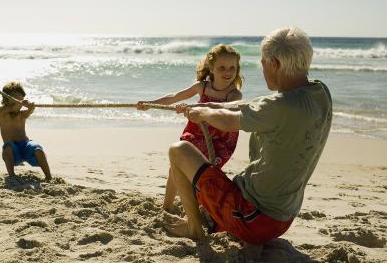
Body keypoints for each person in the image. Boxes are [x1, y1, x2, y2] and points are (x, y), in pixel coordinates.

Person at [164, 27, 332, 246]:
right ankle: (212, 219)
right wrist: (212, 104)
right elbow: (252, 106)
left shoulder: (278, 107)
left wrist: (203, 112)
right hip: (282, 218)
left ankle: (194, 228)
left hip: (253, 220)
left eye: (263, 62)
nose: (261, 68)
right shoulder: (320, 92)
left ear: (274, 64)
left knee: (179, 150)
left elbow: (228, 121)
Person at [137, 44, 243, 211]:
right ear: (211, 68)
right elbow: (175, 96)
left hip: (219, 141)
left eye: (232, 68)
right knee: (175, 168)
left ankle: (197, 208)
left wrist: (195, 108)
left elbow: (227, 109)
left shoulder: (234, 94)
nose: (227, 72)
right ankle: (167, 207)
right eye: (222, 68)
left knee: (201, 174)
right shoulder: (202, 86)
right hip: (195, 134)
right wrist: (151, 104)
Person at [0, 81, 52, 181]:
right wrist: (21, 104)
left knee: (38, 149)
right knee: (8, 147)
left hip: (25, 146)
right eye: (14, 99)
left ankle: (49, 177)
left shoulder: (21, 114)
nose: (18, 102)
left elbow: (28, 112)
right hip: (14, 153)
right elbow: (14, 107)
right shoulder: (2, 112)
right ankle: (12, 176)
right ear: (6, 99)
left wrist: (31, 107)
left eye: (20, 99)